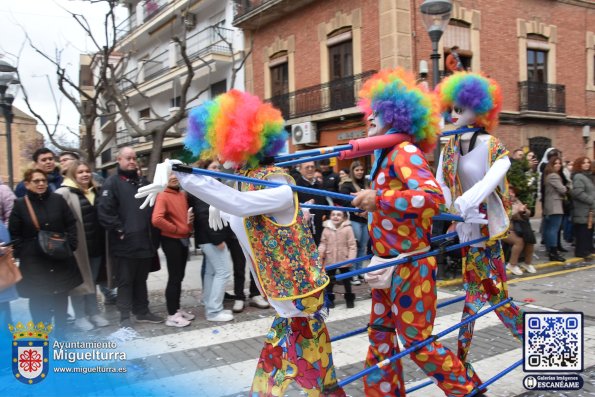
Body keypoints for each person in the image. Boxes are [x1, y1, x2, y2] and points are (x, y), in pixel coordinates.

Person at [137, 90, 345, 396]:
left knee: (296, 369)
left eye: (223, 145)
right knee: (304, 364)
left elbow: (240, 204)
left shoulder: (279, 183)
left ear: (245, 143)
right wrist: (219, 197)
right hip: (282, 294)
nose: (219, 156)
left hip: (300, 294)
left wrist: (188, 179)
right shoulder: (249, 177)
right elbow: (238, 202)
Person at [352, 68, 478, 396]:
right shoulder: (383, 154)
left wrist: (379, 198)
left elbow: (433, 197)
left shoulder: (404, 151)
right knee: (380, 338)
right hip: (384, 266)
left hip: (411, 267)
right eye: (369, 112)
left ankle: (467, 391)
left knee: (418, 343)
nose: (369, 119)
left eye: (376, 113)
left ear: (396, 115)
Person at [436, 71, 524, 389]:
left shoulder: (492, 145)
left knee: (498, 302)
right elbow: (441, 184)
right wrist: (448, 207)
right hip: (467, 238)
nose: (455, 112)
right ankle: (466, 375)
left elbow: (491, 181)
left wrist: (465, 201)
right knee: (472, 303)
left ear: (480, 107)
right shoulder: (450, 147)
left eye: (462, 106)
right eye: (453, 107)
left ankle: (546, 347)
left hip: (487, 236)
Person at [9, 168, 82, 338]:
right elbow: (15, 234)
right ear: (27, 184)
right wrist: (26, 252)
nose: (41, 183)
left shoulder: (58, 200)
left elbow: (71, 223)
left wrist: (71, 244)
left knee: (61, 296)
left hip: (60, 259)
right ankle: (42, 334)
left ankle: (61, 333)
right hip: (35, 264)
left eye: (43, 180)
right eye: (36, 181)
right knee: (38, 299)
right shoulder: (20, 204)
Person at [97, 147, 163, 328]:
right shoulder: (111, 183)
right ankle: (124, 316)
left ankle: (142, 311)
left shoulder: (143, 183)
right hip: (124, 244)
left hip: (145, 242)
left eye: (134, 158)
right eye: (128, 158)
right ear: (119, 159)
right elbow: (104, 212)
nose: (132, 161)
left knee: (141, 280)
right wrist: (120, 230)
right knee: (125, 281)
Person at [56, 160, 109, 331]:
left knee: (91, 283)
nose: (85, 174)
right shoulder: (63, 193)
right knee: (79, 284)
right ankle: (80, 316)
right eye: (80, 172)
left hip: (96, 246)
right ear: (73, 174)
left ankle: (93, 313)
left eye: (87, 171)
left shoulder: (95, 191)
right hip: (77, 248)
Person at [190, 159, 235, 322]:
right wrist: (217, 240)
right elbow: (203, 216)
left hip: (209, 238)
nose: (217, 170)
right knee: (223, 272)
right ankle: (214, 311)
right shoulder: (205, 188)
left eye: (218, 167)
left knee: (212, 272)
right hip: (212, 239)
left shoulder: (209, 187)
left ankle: (210, 306)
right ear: (205, 170)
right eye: (213, 167)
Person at [151, 172, 195, 327]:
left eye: (176, 174)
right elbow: (157, 219)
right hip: (171, 241)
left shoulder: (181, 194)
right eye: (170, 174)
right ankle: (171, 315)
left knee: (179, 277)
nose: (174, 177)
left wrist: (187, 227)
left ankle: (176, 309)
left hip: (182, 239)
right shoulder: (163, 195)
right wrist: (176, 229)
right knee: (174, 277)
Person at [338, 161, 370, 285]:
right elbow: (343, 201)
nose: (360, 172)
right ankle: (353, 274)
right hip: (354, 219)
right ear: (352, 171)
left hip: (366, 219)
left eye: (361, 169)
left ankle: (360, 271)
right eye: (357, 170)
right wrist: (356, 210)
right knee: (354, 247)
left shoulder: (366, 183)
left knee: (363, 246)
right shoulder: (347, 185)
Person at [318, 209, 357, 308]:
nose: (336, 217)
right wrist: (320, 253)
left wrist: (351, 259)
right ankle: (330, 299)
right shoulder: (326, 229)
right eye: (333, 214)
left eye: (339, 215)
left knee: (347, 280)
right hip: (330, 259)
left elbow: (352, 245)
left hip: (344, 259)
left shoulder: (348, 229)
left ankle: (349, 299)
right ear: (330, 216)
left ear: (344, 218)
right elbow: (323, 242)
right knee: (329, 281)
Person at [503, 188, 536, 275]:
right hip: (504, 229)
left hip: (519, 228)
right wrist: (517, 211)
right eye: (509, 192)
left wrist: (524, 211)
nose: (511, 194)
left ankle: (527, 263)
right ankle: (512, 264)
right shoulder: (502, 202)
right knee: (519, 241)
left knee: (530, 240)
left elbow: (528, 213)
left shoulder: (517, 201)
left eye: (512, 192)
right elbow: (506, 216)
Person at [295, 160, 327, 245]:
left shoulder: (319, 185)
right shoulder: (295, 186)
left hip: (320, 227)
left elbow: (325, 203)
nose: (310, 169)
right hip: (303, 228)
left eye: (312, 167)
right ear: (300, 170)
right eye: (307, 167)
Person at [543, 156, 568, 262]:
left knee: (550, 230)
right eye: (555, 163)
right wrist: (567, 187)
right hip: (555, 206)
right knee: (554, 229)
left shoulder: (548, 175)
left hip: (550, 205)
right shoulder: (554, 176)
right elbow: (562, 189)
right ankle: (553, 253)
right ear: (551, 165)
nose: (558, 165)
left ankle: (551, 251)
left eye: (559, 163)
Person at [571, 157, 595, 259]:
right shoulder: (579, 177)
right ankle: (581, 251)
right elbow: (578, 192)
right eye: (584, 163)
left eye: (588, 162)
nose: (586, 164)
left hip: (589, 209)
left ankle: (588, 248)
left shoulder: (589, 176)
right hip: (582, 209)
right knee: (583, 231)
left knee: (589, 230)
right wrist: (591, 200)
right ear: (579, 165)